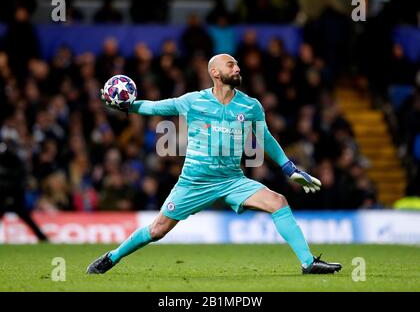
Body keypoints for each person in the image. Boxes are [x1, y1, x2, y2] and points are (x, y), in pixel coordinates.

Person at [86, 54, 342, 275]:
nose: (237, 68)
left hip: (232, 180)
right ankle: (111, 257)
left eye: (237, 65)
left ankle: (308, 263)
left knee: (279, 202)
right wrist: (125, 106)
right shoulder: (193, 100)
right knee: (157, 230)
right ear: (215, 72)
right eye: (231, 65)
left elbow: (264, 138)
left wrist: (289, 168)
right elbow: (153, 107)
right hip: (194, 182)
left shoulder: (251, 106)